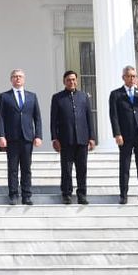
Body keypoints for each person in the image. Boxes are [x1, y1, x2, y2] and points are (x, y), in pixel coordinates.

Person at [109, 65, 138, 205]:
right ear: (123, 77)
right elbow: (114, 116)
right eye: (129, 76)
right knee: (125, 166)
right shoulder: (116, 94)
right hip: (125, 135)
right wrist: (117, 133)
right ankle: (123, 195)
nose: (132, 78)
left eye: (134, 76)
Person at [0, 69, 43, 205]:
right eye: (15, 77)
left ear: (24, 79)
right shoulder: (4, 96)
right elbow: (0, 118)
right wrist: (1, 136)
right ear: (11, 79)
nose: (17, 79)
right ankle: (13, 194)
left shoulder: (32, 96)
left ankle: (26, 195)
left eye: (20, 76)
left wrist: (38, 135)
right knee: (13, 168)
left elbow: (37, 118)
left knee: (27, 168)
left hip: (27, 137)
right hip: (11, 138)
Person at [51, 70, 95, 205]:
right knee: (66, 169)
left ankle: (82, 194)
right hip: (65, 139)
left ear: (77, 81)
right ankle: (66, 194)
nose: (72, 82)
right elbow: (53, 120)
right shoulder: (57, 97)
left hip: (82, 139)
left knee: (82, 168)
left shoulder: (83, 97)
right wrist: (54, 138)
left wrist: (92, 137)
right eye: (69, 80)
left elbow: (89, 118)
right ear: (64, 82)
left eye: (74, 79)